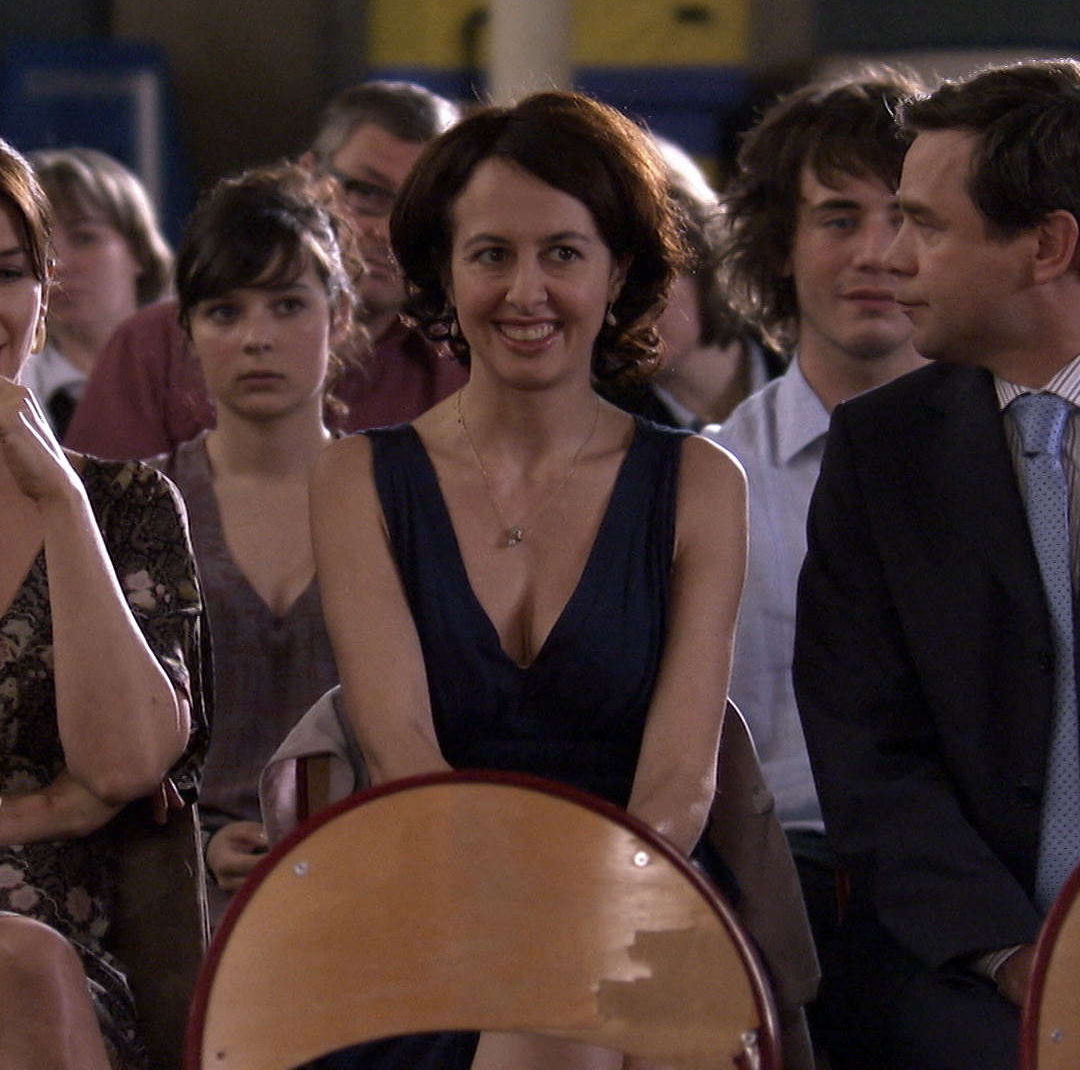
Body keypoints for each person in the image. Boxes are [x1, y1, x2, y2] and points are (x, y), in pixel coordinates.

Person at [310, 91, 747, 1070]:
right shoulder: (355, 479)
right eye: (491, 254)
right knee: (543, 1026)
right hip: (427, 896)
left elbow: (680, 784)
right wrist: (517, 934)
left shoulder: (701, 484)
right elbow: (400, 752)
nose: (525, 291)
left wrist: (578, 920)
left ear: (618, 270)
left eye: (562, 253)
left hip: (642, 895)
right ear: (443, 270)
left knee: (563, 1023)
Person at [793, 59, 1080, 1070]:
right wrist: (1015, 958)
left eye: (925, 225)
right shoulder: (881, 453)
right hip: (968, 964)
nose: (890, 257)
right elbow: (866, 752)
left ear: (1046, 246)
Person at [698, 69, 927, 1058]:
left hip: (964, 906)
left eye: (907, 217)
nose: (877, 252)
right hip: (762, 892)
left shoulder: (1025, 467)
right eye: (839, 218)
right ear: (779, 247)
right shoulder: (710, 478)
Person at [0, 137, 207, 1068]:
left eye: (6, 273)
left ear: (42, 300)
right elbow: (88, 791)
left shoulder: (126, 506)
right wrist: (46, 808)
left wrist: (61, 501)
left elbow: (123, 766)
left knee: (23, 964)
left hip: (66, 959)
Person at [151, 162, 355, 924]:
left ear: (338, 316)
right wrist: (198, 844)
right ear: (188, 331)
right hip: (184, 896)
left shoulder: (401, 502)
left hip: (369, 871)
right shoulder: (142, 508)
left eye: (288, 305)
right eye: (224, 311)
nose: (257, 339)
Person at [65, 80, 465, 460]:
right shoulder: (151, 346)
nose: (389, 231)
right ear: (309, 175)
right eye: (366, 192)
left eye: (421, 205)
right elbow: (96, 504)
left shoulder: (462, 364)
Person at [602, 137, 782, 429]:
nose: (618, 309)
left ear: (704, 260)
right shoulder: (606, 427)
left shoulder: (810, 361)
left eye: (643, 275)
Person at [22, 148, 172, 439]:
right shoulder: (12, 389)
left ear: (140, 251)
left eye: (84, 238)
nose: (57, 264)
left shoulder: (196, 368)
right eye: (39, 246)